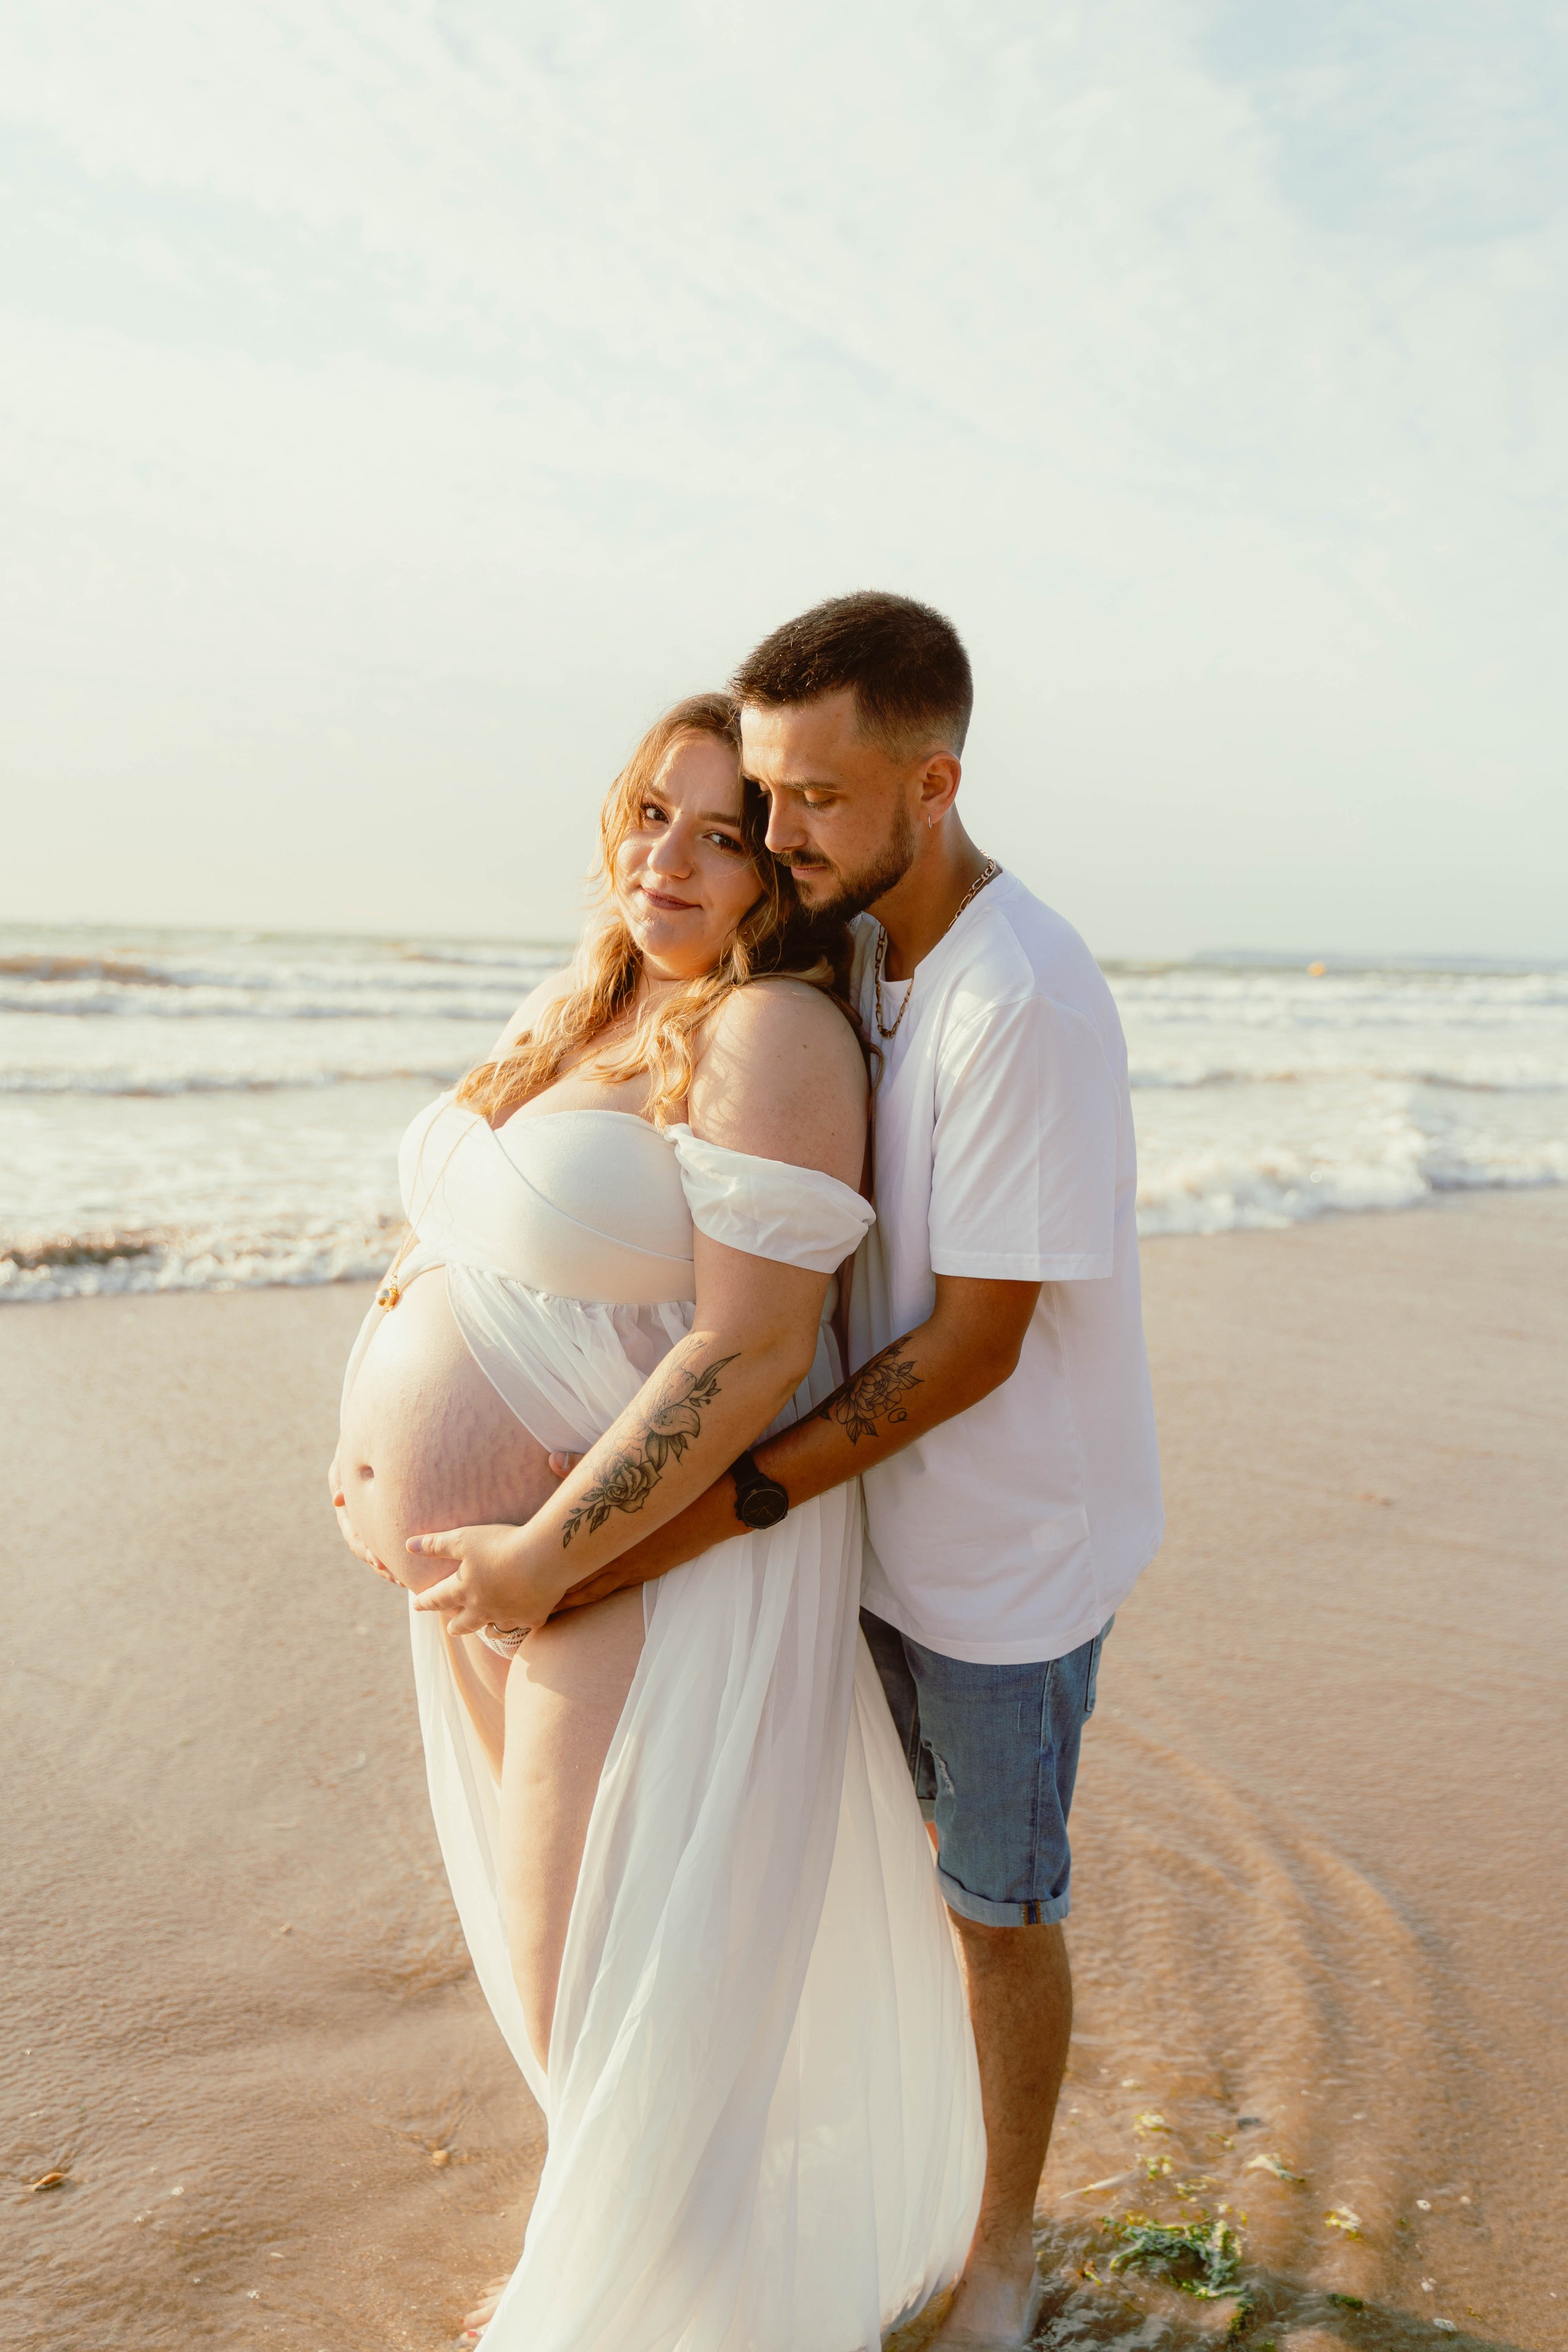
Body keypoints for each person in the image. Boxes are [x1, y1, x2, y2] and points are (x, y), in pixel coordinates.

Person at [537, 594, 1164, 2350]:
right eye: (766, 792)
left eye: (809, 797)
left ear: (934, 783)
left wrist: (716, 1506)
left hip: (1000, 1565)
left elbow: (973, 1348)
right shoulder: (870, 940)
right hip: (862, 1528)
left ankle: (1009, 2256)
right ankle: (870, 2194)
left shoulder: (1019, 1000)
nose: (775, 827)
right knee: (836, 1877)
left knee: (992, 1908)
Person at [331, 691, 982, 2351]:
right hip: (513, 1569)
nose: (669, 858)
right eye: (650, 814)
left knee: (602, 1992)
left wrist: (544, 1553)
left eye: (721, 834)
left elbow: (754, 1345)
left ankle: (651, 2310)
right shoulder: (610, 1003)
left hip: (624, 1570)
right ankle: (652, 2288)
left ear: (785, 874)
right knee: (579, 1998)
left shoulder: (774, 1034)